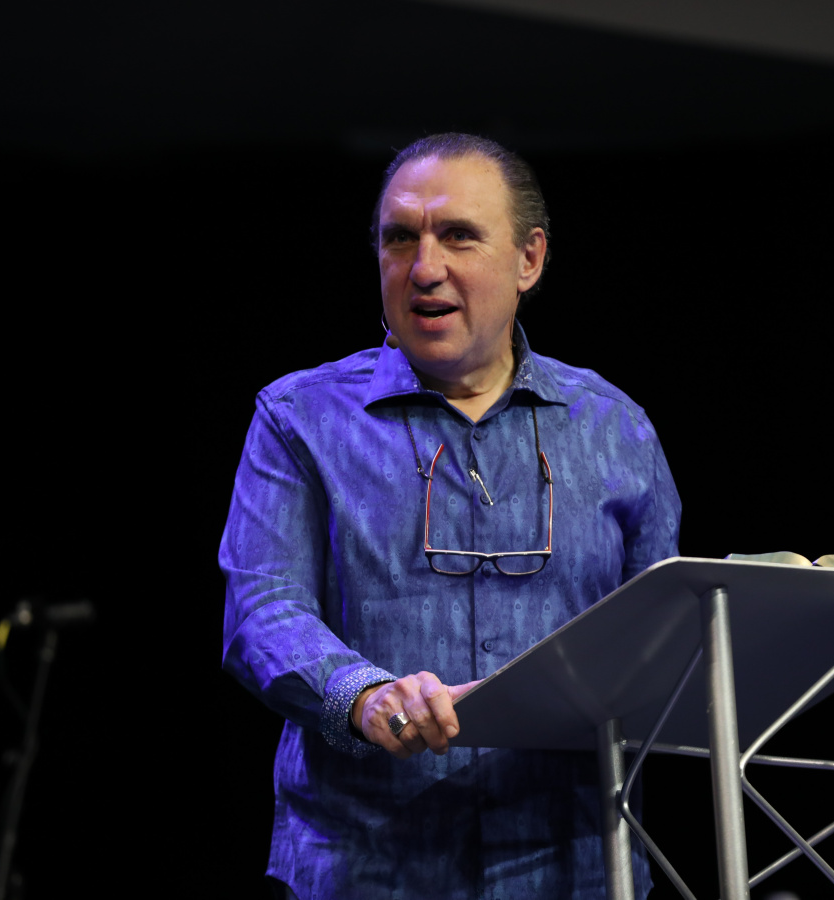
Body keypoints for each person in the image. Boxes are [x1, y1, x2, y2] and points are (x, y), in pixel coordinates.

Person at [220, 133, 681, 899]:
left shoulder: (616, 428)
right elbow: (261, 612)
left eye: (459, 236)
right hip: (369, 869)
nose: (424, 267)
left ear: (529, 259)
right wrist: (363, 695)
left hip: (571, 869)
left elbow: (661, 644)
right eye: (400, 238)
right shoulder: (298, 418)